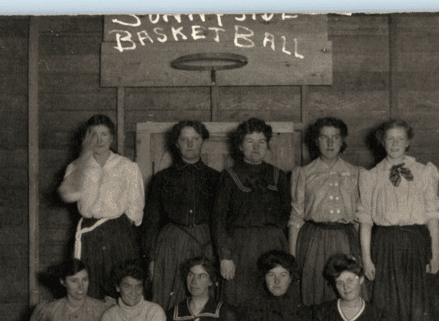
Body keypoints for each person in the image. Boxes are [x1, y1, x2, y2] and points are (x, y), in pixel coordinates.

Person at [357, 118, 439, 321]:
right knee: (385, 316)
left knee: (420, 316)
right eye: (389, 139)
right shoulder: (371, 176)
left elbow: (432, 217)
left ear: (408, 141)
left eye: (400, 139)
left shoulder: (423, 172)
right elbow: (366, 221)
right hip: (384, 247)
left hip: (417, 246)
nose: (394, 144)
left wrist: (435, 253)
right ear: (382, 142)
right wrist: (367, 260)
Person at [58, 114, 144, 300]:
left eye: (104, 134)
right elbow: (67, 194)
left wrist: (119, 229)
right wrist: (83, 159)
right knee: (91, 290)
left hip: (118, 232)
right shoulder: (77, 166)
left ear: (112, 138)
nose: (99, 140)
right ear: (86, 138)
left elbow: (136, 208)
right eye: (93, 134)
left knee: (120, 287)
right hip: (89, 235)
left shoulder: (127, 166)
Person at [213, 117, 290, 309]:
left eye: (261, 142)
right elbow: (218, 220)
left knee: (273, 299)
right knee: (240, 299)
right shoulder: (229, 176)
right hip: (240, 248)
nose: (256, 147)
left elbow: (285, 215)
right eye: (250, 142)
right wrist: (225, 256)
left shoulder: (278, 175)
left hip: (273, 245)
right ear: (240, 146)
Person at [143, 120, 219, 310]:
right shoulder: (162, 178)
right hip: (171, 244)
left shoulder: (216, 178)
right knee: (168, 297)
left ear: (203, 141)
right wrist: (152, 259)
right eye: (184, 139)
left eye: (195, 139)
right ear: (176, 143)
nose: (190, 144)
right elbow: (151, 221)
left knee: (204, 296)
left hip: (205, 242)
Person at [289, 117, 365, 306]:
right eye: (324, 137)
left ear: (342, 140)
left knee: (347, 292)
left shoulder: (357, 173)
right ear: (316, 141)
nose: (330, 143)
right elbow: (296, 218)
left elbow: (359, 220)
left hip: (346, 240)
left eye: (336, 137)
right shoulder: (304, 173)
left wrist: (363, 254)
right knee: (314, 292)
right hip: (313, 240)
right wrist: (292, 259)